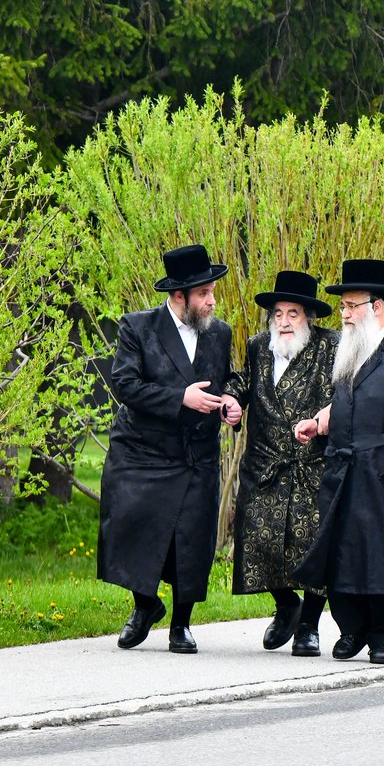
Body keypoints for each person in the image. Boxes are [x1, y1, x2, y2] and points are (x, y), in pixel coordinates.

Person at [97, 242, 242, 653]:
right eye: (205, 294)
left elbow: (227, 379)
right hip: (142, 451)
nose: (213, 301)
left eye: (213, 292)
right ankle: (145, 605)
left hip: (195, 452)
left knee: (190, 538)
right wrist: (180, 397)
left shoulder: (219, 333)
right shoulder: (137, 327)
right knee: (128, 527)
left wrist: (232, 401)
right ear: (179, 296)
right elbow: (124, 383)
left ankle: (181, 624)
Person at [294, 258, 384, 665]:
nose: (343, 314)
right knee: (343, 550)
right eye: (342, 307)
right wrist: (319, 423)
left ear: (376, 306)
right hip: (344, 468)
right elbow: (348, 403)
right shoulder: (349, 350)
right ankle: (351, 628)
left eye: (350, 306)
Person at [224, 270, 337, 656]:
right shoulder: (259, 347)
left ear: (308, 317)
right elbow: (241, 381)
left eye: (293, 313)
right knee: (258, 539)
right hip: (265, 463)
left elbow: (351, 394)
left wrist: (327, 417)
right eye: (278, 313)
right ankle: (287, 605)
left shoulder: (330, 347)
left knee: (312, 545)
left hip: (313, 465)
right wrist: (233, 401)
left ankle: (309, 626)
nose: (284, 322)